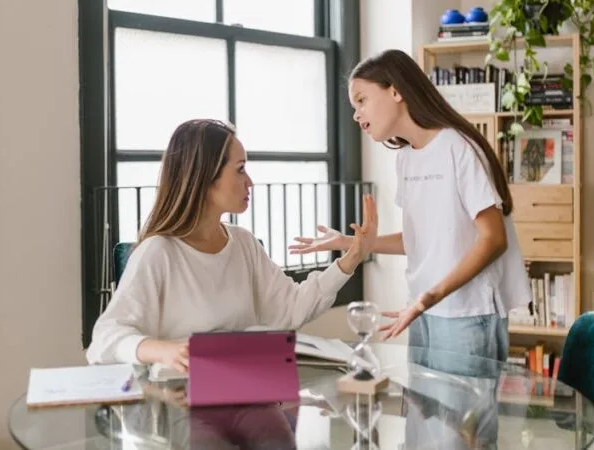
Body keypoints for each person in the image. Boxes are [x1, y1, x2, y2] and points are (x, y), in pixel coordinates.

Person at [289, 49, 531, 363]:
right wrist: (351, 242)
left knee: (463, 413)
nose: (356, 115)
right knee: (421, 412)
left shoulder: (458, 147)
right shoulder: (406, 159)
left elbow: (493, 239)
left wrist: (430, 296)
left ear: (396, 90)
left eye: (361, 100)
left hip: (465, 314)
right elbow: (415, 241)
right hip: (421, 310)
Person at [85, 119, 378, 371]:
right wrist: (163, 350)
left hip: (248, 396)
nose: (249, 181)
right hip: (180, 410)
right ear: (205, 177)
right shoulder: (158, 252)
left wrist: (349, 260)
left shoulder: (243, 243)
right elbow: (105, 339)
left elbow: (290, 309)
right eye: (239, 170)